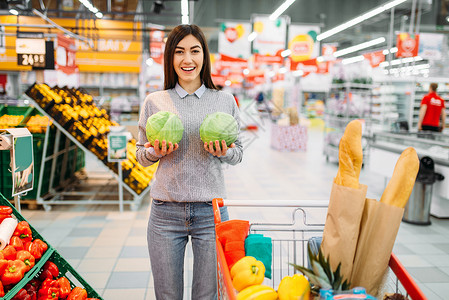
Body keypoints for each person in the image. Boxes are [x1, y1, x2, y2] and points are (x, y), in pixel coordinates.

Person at [136, 24, 243, 300]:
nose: (188, 59)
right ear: (170, 58)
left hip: (211, 213)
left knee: (207, 296)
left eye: (195, 51)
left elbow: (238, 153)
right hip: (165, 213)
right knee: (168, 295)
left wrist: (224, 153)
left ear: (204, 56)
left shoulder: (224, 99)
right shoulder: (154, 101)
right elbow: (140, 155)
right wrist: (155, 152)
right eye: (180, 52)